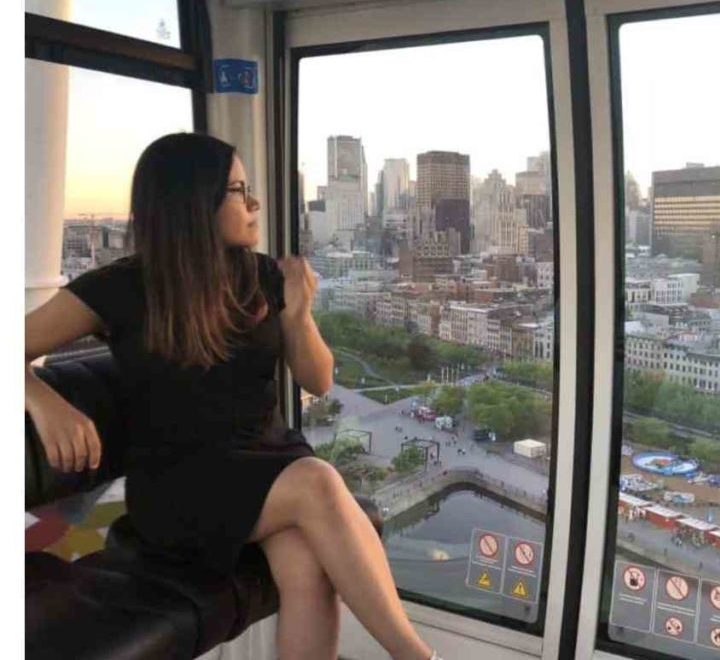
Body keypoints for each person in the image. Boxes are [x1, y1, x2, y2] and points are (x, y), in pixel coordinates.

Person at [24, 134, 442, 660]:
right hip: (181, 488)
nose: (254, 203)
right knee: (317, 481)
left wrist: (298, 314)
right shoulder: (121, 287)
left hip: (266, 465)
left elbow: (319, 380)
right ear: (191, 204)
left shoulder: (263, 275)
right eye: (238, 190)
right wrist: (42, 398)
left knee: (306, 564)